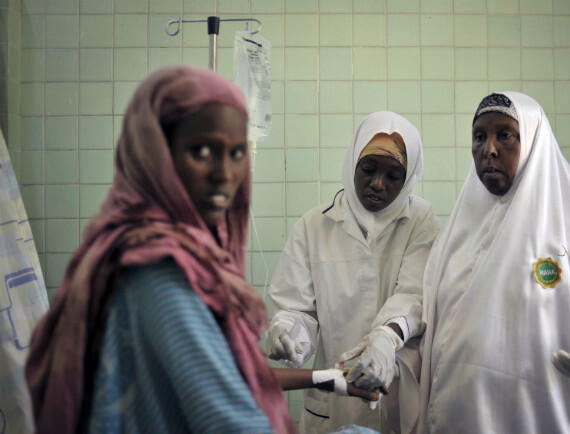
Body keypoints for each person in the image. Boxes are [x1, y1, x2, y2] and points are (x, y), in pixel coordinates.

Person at [24, 66, 377, 434]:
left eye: (237, 152)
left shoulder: (125, 248)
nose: (225, 173)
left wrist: (328, 378)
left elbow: (222, 377)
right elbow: (227, 419)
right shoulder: (161, 275)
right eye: (202, 151)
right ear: (154, 153)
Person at [417, 92, 570, 433]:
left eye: (504, 135)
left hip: (547, 417)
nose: (489, 149)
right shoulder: (456, 235)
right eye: (479, 136)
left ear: (532, 140)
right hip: (462, 417)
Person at [265, 111, 439, 433]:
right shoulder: (314, 225)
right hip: (332, 405)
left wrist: (386, 338)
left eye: (393, 176)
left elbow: (415, 294)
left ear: (409, 177)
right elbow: (297, 308)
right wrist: (288, 331)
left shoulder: (420, 220)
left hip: (396, 397)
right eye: (369, 170)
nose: (378, 184)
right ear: (352, 164)